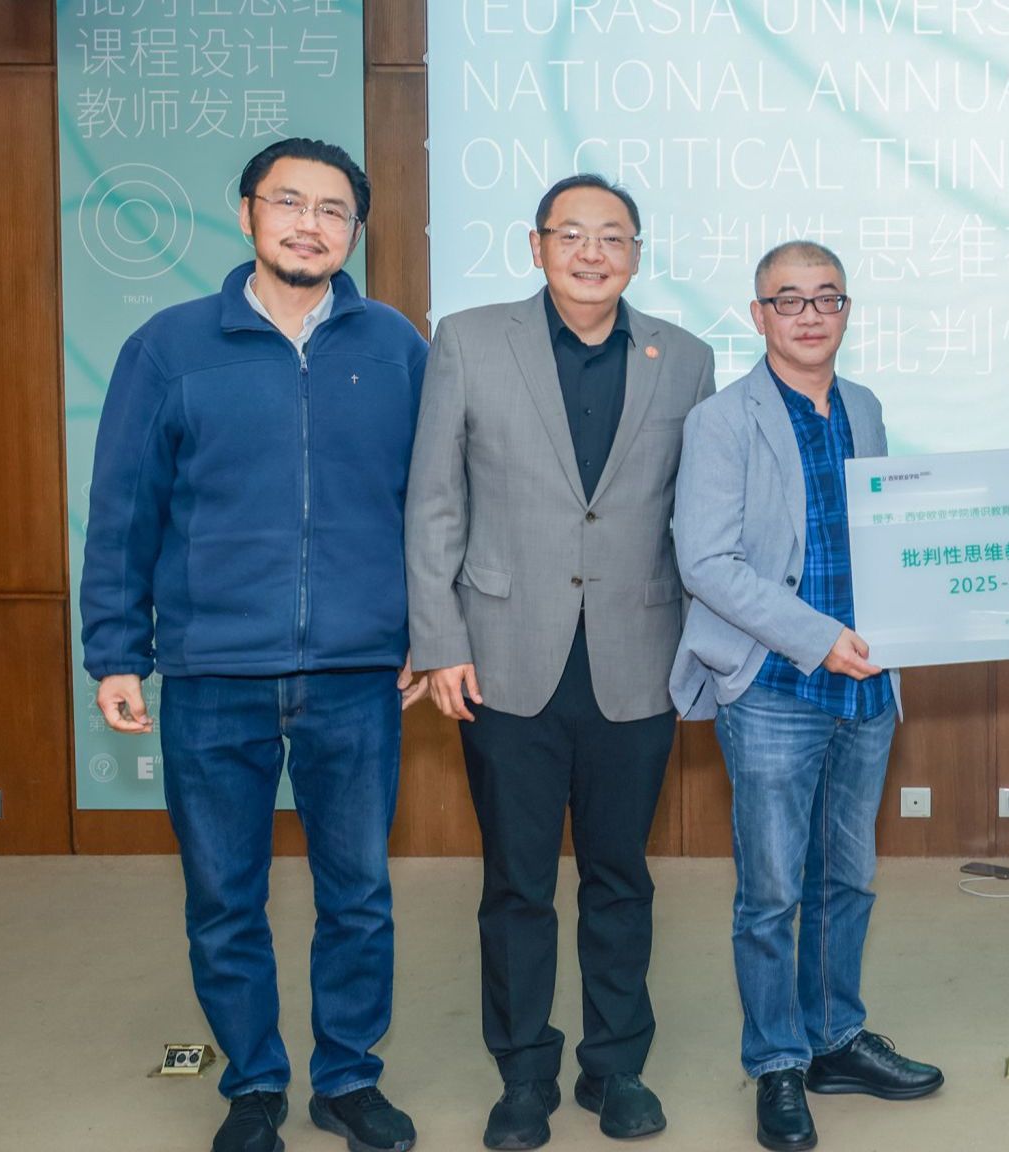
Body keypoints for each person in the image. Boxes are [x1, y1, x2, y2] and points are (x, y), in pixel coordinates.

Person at [82, 138, 427, 1152]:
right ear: (247, 214)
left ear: (353, 232)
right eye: (288, 202)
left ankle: (348, 1080)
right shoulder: (170, 346)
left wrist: (431, 630)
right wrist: (115, 650)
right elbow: (124, 508)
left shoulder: (395, 347)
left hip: (357, 675)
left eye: (332, 210)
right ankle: (253, 1085)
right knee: (224, 897)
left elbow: (435, 506)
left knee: (357, 895)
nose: (309, 224)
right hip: (211, 672)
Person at [404, 174, 715, 1151]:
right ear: (535, 246)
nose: (592, 253)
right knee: (516, 883)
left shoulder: (684, 357)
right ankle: (523, 1075)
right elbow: (434, 501)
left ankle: (615, 1068)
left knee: (621, 876)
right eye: (571, 235)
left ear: (636, 253)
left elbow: (698, 515)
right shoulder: (468, 340)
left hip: (638, 658)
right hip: (502, 659)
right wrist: (439, 640)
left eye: (612, 236)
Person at [670, 241, 943, 1152]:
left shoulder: (864, 407)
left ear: (847, 310)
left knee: (848, 879)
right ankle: (777, 1061)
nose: (810, 315)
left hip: (865, 689)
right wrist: (819, 639)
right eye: (789, 300)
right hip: (775, 685)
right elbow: (707, 562)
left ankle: (834, 1039)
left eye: (827, 298)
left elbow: (886, 538)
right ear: (759, 316)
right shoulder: (721, 421)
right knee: (772, 893)